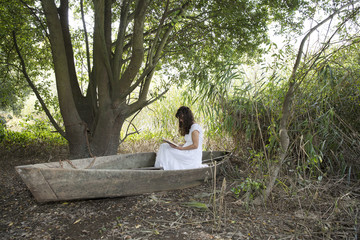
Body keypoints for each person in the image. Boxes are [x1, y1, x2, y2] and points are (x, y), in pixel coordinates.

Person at [154, 106, 206, 170]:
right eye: (180, 118)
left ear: (187, 117)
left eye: (182, 118)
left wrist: (181, 148)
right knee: (164, 146)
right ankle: (161, 168)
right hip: (187, 151)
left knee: (166, 149)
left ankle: (165, 168)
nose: (181, 120)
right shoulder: (190, 128)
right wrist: (176, 145)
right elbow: (188, 143)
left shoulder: (195, 128)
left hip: (192, 155)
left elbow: (195, 145)